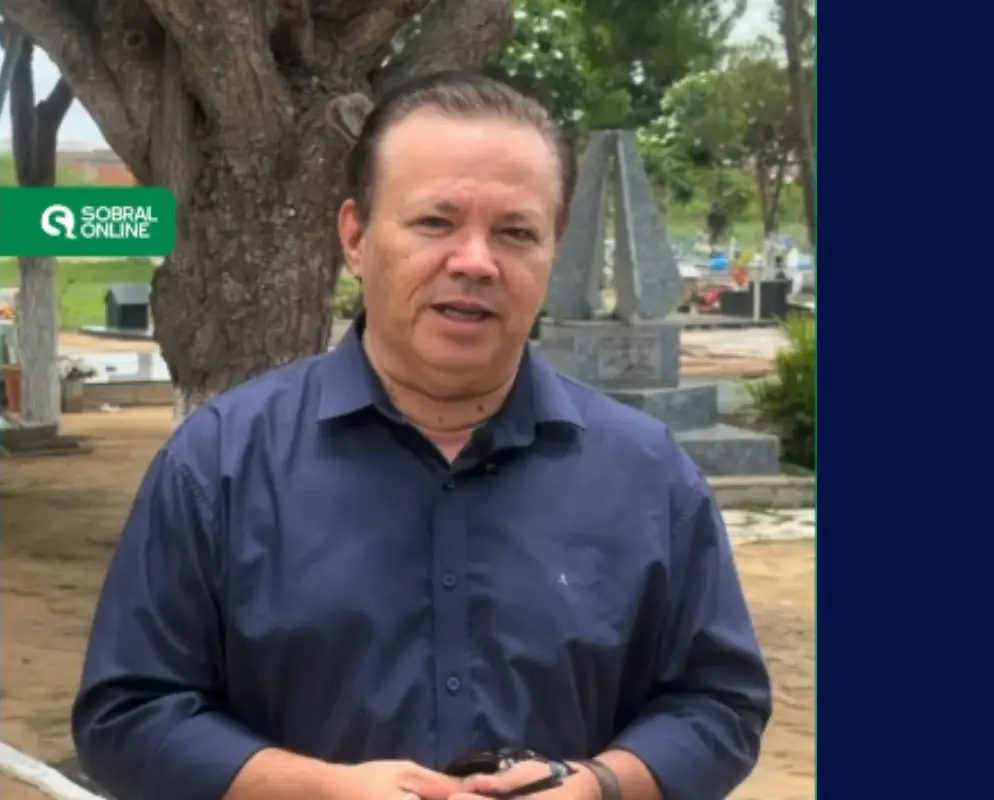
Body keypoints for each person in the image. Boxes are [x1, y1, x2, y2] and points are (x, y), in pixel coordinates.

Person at [72, 70, 772, 800]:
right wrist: (316, 791)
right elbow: (127, 717)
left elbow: (719, 705)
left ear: (553, 249)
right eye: (435, 222)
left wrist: (600, 786)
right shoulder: (219, 462)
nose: (475, 261)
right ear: (355, 235)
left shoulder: (645, 473)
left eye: (516, 232)